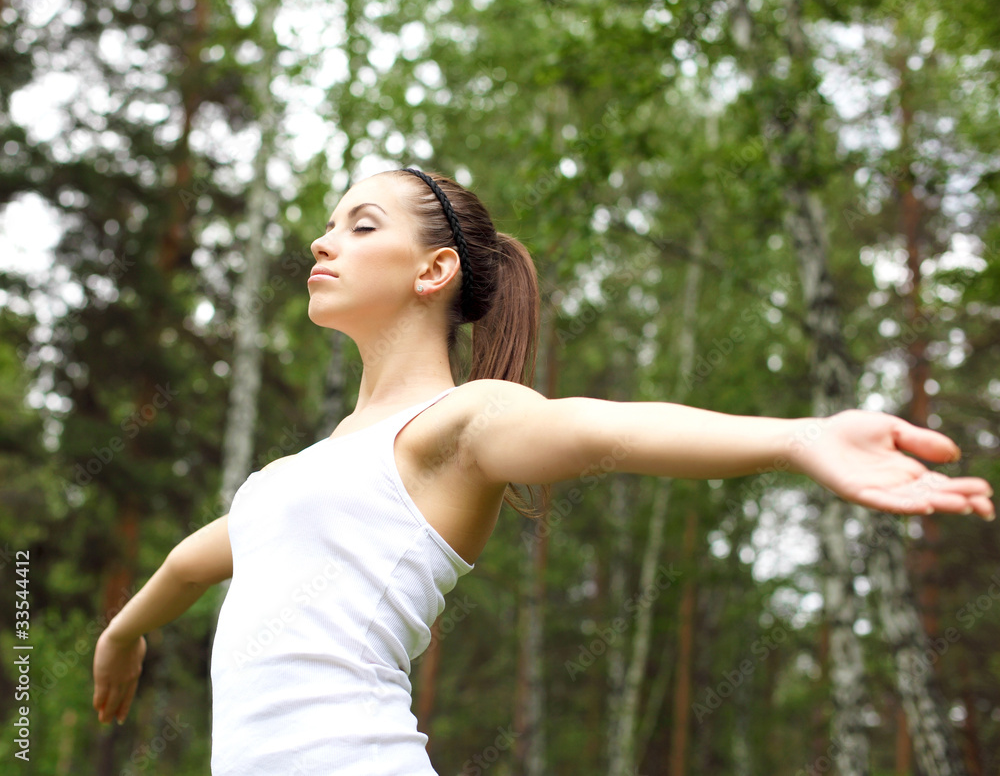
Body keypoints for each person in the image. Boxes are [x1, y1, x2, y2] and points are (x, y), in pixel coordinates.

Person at [92, 168, 995, 774]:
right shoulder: (298, 476)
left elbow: (601, 429)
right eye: (328, 226)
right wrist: (122, 633)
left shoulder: (458, 424)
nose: (324, 244)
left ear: (433, 270)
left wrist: (797, 437)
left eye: (360, 226)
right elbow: (190, 562)